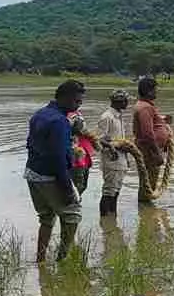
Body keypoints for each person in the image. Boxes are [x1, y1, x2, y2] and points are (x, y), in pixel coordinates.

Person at [25, 80, 85, 263]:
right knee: (72, 215)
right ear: (65, 98)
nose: (78, 105)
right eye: (76, 101)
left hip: (32, 173)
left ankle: (41, 259)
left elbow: (30, 144)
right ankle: (63, 259)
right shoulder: (60, 122)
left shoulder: (40, 114)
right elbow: (58, 159)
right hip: (49, 176)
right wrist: (67, 188)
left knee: (46, 217)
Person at [132, 77, 173, 196]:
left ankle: (145, 208)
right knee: (149, 182)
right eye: (155, 90)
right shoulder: (145, 107)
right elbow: (147, 134)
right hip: (149, 150)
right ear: (149, 91)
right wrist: (157, 153)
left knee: (149, 181)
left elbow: (150, 125)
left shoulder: (145, 106)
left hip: (149, 149)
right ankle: (145, 207)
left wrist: (163, 120)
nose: (157, 92)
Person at [97, 89, 130, 217]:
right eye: (126, 100)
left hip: (121, 160)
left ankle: (112, 217)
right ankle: (105, 220)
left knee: (116, 191)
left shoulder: (119, 116)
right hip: (111, 160)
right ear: (119, 101)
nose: (127, 103)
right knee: (109, 191)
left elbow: (120, 139)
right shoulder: (107, 117)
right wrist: (111, 147)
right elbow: (99, 138)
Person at [67, 109, 94, 195]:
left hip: (84, 158)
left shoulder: (77, 113)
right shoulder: (67, 115)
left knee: (81, 187)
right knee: (76, 189)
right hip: (76, 161)